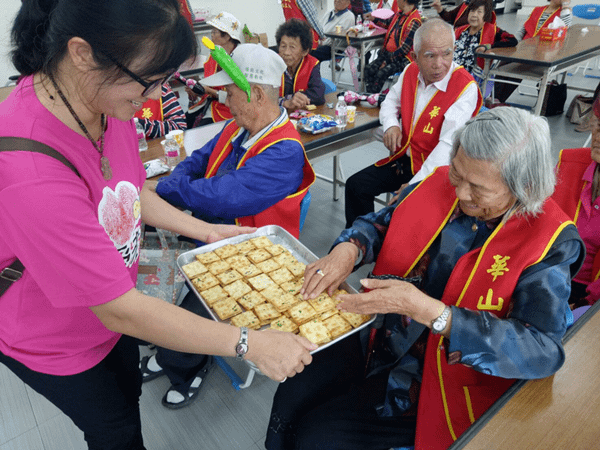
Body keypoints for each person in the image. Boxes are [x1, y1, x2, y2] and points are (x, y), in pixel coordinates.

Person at [0, 2, 316, 448]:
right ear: (83, 53)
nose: (154, 97)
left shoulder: (105, 102)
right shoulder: (28, 167)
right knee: (115, 430)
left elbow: (133, 193)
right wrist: (250, 343)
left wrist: (205, 231)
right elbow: (117, 306)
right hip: (57, 337)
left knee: (126, 398)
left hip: (114, 319)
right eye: (150, 79)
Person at [266, 106, 585, 450]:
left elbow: (542, 351)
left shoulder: (549, 243)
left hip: (434, 381)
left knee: (317, 439)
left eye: (477, 188)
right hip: (377, 337)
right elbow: (379, 224)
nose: (461, 194)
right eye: (458, 176)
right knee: (292, 390)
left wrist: (435, 314)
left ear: (524, 186)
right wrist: (349, 250)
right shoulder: (437, 183)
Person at [141, 43, 317, 408]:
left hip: (252, 254)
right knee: (155, 270)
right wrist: (174, 185)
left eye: (230, 92)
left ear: (254, 94)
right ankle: (172, 350)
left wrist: (166, 188)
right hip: (217, 231)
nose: (225, 99)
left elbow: (220, 195)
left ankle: (186, 366)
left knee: (186, 309)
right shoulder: (241, 128)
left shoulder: (283, 151)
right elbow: (197, 160)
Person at [345, 19, 482, 228]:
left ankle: (388, 249)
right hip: (406, 159)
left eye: (447, 54)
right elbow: (391, 101)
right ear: (415, 56)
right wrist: (392, 125)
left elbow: (447, 144)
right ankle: (356, 243)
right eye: (430, 56)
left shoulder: (465, 88)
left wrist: (414, 185)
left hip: (438, 171)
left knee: (404, 209)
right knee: (356, 186)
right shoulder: (410, 72)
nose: (439, 64)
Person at [553, 94, 600, 307]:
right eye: (598, 124)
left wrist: (583, 305)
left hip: (590, 295)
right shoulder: (570, 163)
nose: (597, 136)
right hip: (551, 275)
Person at [493, 0, 572, 104]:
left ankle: (498, 99)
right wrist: (514, 44)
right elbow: (522, 30)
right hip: (524, 48)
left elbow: (565, 28)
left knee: (516, 68)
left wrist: (565, 7)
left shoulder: (564, 13)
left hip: (542, 53)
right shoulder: (538, 10)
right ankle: (492, 97)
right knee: (501, 64)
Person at [188, 11, 243, 126]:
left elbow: (240, 99)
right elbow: (208, 86)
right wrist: (196, 91)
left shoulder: (241, 60)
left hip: (231, 112)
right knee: (184, 122)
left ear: (227, 36)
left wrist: (209, 91)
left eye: (214, 32)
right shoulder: (214, 56)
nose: (211, 35)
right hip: (210, 107)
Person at [363, 0, 422, 94]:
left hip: (402, 58)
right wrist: (373, 18)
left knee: (381, 73)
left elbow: (404, 49)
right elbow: (387, 23)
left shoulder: (414, 21)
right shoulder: (399, 14)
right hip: (389, 54)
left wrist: (387, 61)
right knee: (368, 69)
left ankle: (373, 97)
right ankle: (371, 96)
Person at [452, 0, 517, 83]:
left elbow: (512, 40)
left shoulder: (492, 30)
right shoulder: (460, 30)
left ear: (486, 15)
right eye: (472, 11)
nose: (474, 15)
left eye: (479, 12)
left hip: (472, 78)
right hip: (452, 73)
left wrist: (488, 46)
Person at [276, 19, 326, 111]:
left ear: (305, 51)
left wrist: (294, 98)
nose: (286, 52)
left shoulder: (312, 64)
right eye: (283, 46)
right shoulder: (272, 63)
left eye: (292, 47)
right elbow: (264, 97)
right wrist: (285, 101)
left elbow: (318, 95)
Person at [431, 0, 497, 28]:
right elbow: (450, 18)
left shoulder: (487, 9)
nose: (473, 14)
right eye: (472, 11)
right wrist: (439, 8)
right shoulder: (466, 4)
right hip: (457, 41)